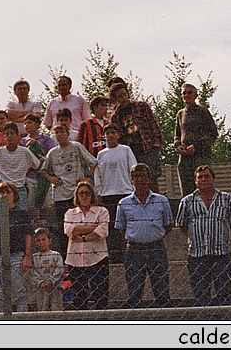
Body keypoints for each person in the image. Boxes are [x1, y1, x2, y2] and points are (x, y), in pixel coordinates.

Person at [175, 165, 231, 308]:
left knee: (224, 294)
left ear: (213, 179)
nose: (203, 179)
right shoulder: (187, 201)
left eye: (207, 176)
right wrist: (196, 237)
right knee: (201, 296)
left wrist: (221, 236)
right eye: (200, 177)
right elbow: (181, 224)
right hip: (197, 255)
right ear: (195, 181)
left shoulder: (227, 199)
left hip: (221, 254)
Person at [115, 164, 173, 308]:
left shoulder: (162, 200)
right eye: (136, 177)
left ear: (149, 179)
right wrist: (137, 237)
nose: (139, 179)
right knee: (134, 291)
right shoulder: (123, 203)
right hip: (134, 250)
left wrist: (152, 237)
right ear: (132, 180)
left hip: (156, 248)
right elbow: (121, 228)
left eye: (143, 176)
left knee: (162, 291)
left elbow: (168, 225)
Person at [41, 123, 97, 244]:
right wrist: (51, 178)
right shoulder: (52, 153)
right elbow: (42, 170)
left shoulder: (76, 147)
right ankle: (66, 255)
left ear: (68, 133)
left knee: (81, 223)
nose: (59, 135)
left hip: (76, 193)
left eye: (62, 132)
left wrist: (87, 178)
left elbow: (93, 163)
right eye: (57, 133)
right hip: (60, 194)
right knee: (64, 226)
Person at [0, 181, 32, 314]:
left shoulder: (22, 214)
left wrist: (26, 257)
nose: (5, 195)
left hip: (16, 256)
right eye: (2, 193)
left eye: (8, 192)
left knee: (19, 293)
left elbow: (28, 236)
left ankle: (22, 320)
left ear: (14, 195)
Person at [63, 181, 110, 310]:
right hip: (75, 260)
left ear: (92, 195)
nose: (84, 196)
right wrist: (93, 227)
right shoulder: (70, 213)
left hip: (98, 259)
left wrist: (82, 237)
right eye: (81, 193)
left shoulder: (102, 211)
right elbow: (69, 231)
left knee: (101, 297)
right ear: (77, 196)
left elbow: (102, 231)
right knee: (79, 298)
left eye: (87, 193)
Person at [109, 82, 163, 192]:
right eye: (120, 96)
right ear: (115, 99)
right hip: (131, 152)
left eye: (125, 94)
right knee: (135, 181)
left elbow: (154, 124)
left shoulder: (141, 106)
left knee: (152, 179)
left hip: (147, 148)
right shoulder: (115, 117)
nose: (124, 98)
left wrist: (156, 144)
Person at [94, 123, 136, 263]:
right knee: (111, 228)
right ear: (104, 136)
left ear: (118, 135)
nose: (110, 135)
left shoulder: (125, 150)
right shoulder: (101, 154)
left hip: (125, 193)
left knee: (126, 226)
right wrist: (98, 193)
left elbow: (133, 169)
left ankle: (129, 256)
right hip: (108, 195)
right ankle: (114, 257)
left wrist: (134, 189)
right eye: (108, 133)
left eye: (113, 132)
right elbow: (97, 176)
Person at [0, 123, 42, 209]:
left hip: (20, 188)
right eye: (7, 134)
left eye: (12, 133)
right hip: (4, 189)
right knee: (3, 218)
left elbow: (36, 165)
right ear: (4, 136)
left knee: (21, 216)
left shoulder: (24, 151)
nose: (9, 136)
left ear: (17, 135)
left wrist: (24, 171)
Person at [174, 83, 218, 197]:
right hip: (185, 158)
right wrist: (178, 146)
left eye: (189, 92)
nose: (186, 95)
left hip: (201, 156)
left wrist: (197, 146)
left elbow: (213, 133)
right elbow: (177, 135)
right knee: (186, 191)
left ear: (196, 95)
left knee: (205, 187)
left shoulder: (203, 111)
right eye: (184, 93)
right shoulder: (180, 114)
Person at [21, 114, 55, 216]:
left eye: (29, 123)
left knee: (46, 203)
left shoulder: (46, 139)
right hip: (30, 176)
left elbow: (50, 156)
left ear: (37, 125)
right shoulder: (23, 141)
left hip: (44, 176)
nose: (27, 125)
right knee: (31, 203)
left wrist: (40, 158)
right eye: (25, 123)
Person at [26, 226, 64, 311]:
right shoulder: (34, 257)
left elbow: (60, 269)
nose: (41, 243)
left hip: (55, 288)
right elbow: (31, 272)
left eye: (43, 240)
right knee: (42, 310)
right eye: (38, 240)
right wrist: (40, 282)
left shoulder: (56, 255)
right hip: (41, 289)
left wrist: (51, 281)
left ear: (49, 240)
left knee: (56, 310)